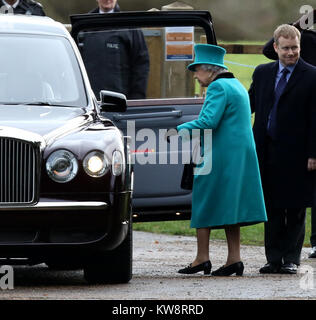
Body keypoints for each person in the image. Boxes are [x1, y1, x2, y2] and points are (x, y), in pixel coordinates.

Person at [169, 44, 267, 276]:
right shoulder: (236, 85)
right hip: (239, 154)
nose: (195, 75)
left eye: (196, 70)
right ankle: (234, 259)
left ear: (209, 70)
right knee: (230, 204)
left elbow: (207, 122)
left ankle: (202, 258)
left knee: (203, 199)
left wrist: (177, 130)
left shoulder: (217, 87)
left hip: (220, 154)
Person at [249, 24, 316, 274]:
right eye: (285, 48)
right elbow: (249, 104)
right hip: (267, 149)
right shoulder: (263, 73)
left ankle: (291, 259)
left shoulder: (311, 75)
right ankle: (273, 258)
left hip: (299, 152)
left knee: (296, 207)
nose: (290, 53)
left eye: (295, 48)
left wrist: (313, 153)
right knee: (272, 205)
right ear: (275, 47)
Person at [79, 0, 150, 99]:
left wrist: (136, 100)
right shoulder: (83, 25)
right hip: (90, 101)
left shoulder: (129, 26)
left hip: (120, 102)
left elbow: (141, 65)